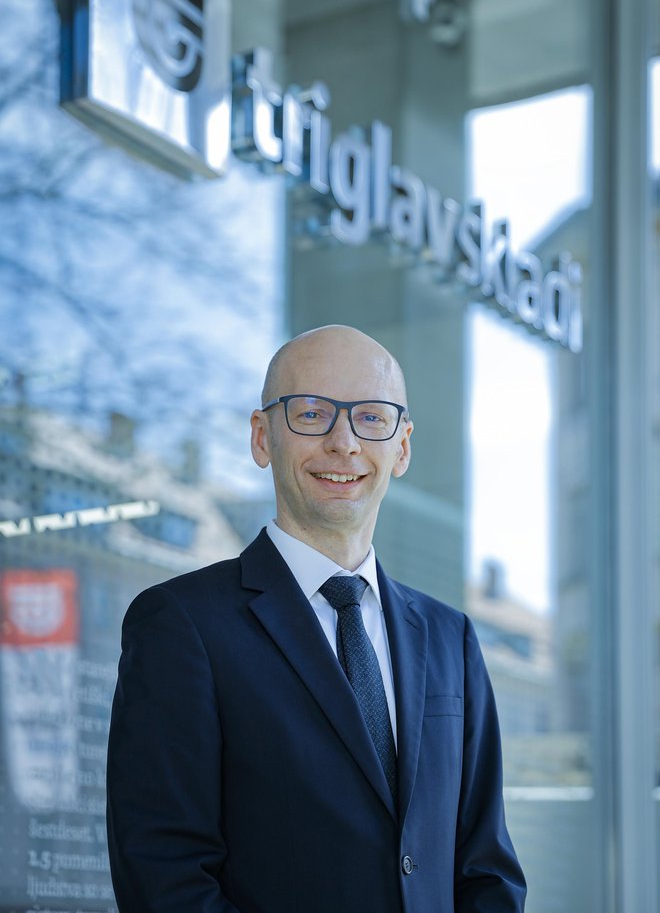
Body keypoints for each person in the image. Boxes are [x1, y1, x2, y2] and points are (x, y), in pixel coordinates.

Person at [106, 324, 526, 912]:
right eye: (310, 413)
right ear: (261, 438)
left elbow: (487, 868)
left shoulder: (450, 637)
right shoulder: (181, 626)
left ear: (401, 447)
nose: (344, 443)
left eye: (372, 418)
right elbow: (166, 878)